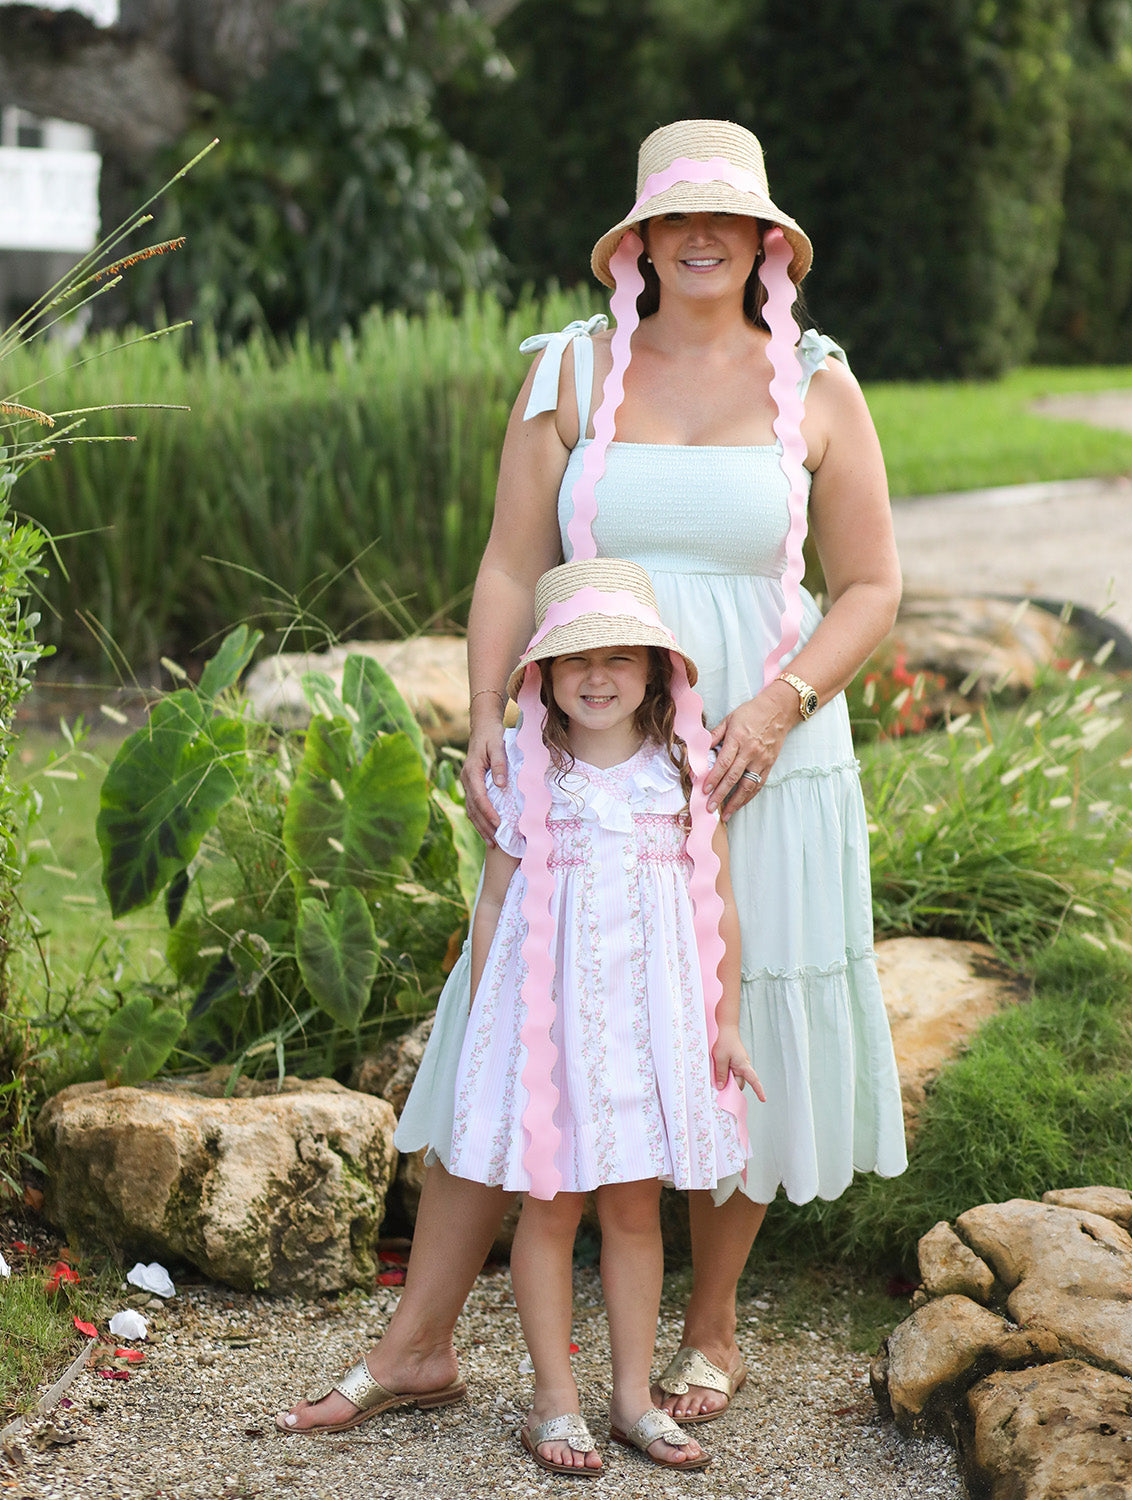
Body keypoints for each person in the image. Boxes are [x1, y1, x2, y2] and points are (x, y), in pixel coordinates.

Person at [277, 116, 906, 1438]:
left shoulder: (821, 384)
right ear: (636, 238)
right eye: (679, 216)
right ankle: (417, 1344)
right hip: (584, 751)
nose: (701, 236)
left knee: (741, 1015)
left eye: (728, 217)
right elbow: (511, 564)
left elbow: (872, 585)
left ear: (764, 240)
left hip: (760, 759)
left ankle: (712, 1331)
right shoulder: (567, 372)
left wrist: (779, 707)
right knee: (512, 1013)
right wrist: (492, 720)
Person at [433, 557, 764, 1474]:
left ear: (659, 670)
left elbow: (718, 908)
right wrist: (485, 1023)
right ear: (539, 674)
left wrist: (725, 1024)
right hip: (549, 1032)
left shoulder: (682, 775)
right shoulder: (531, 781)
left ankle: (629, 1398)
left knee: (632, 1210)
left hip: (649, 1029)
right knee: (548, 1207)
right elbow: (495, 905)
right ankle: (554, 1402)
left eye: (624, 656)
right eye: (577, 658)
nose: (599, 675)